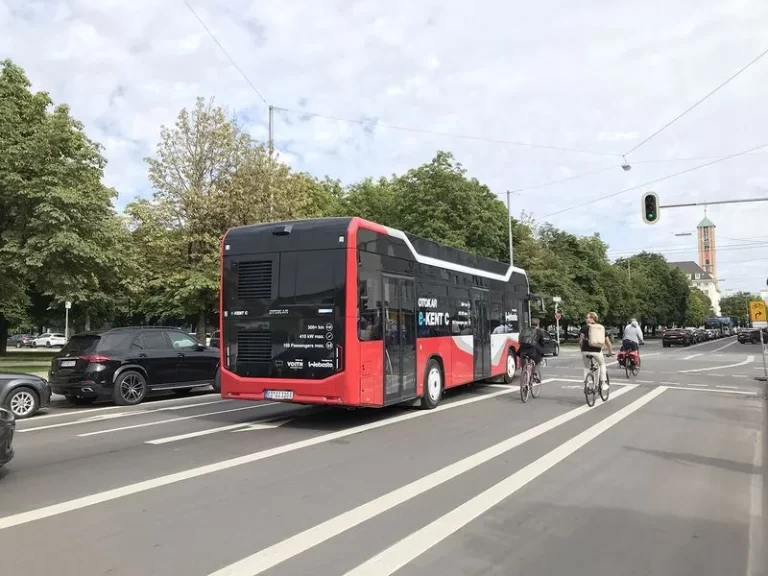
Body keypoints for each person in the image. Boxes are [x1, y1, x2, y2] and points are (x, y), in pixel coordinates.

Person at [579, 312, 613, 390]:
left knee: (586, 367)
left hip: (585, 350)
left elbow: (580, 341)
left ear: (592, 318)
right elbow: (608, 343)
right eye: (587, 317)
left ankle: (586, 385)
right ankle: (603, 383)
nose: (587, 319)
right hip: (596, 351)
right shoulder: (601, 328)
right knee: (602, 365)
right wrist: (610, 351)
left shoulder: (584, 327)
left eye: (588, 317)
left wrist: (582, 350)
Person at [518, 318, 547, 383]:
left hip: (522, 350)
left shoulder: (525, 330)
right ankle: (534, 374)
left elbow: (520, 340)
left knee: (524, 361)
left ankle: (524, 373)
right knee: (538, 360)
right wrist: (542, 351)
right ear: (538, 324)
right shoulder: (539, 331)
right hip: (532, 352)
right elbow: (542, 343)